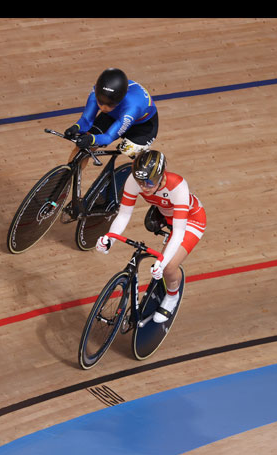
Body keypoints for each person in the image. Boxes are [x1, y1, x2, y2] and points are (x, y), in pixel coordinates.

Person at [96, 150, 206, 323]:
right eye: (140, 182)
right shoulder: (134, 181)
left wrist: (162, 263)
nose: (144, 187)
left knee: (169, 267)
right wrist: (110, 238)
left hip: (191, 220)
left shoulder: (177, 186)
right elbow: (124, 215)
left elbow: (178, 232)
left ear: (161, 176)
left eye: (149, 182)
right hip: (164, 214)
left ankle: (172, 296)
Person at [63, 68, 158, 168]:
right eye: (100, 102)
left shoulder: (132, 107)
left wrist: (92, 139)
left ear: (120, 100)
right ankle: (67, 180)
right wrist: (76, 127)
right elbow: (86, 120)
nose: (104, 108)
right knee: (82, 148)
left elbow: (108, 137)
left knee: (139, 164)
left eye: (110, 104)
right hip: (114, 115)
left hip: (141, 127)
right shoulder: (96, 93)